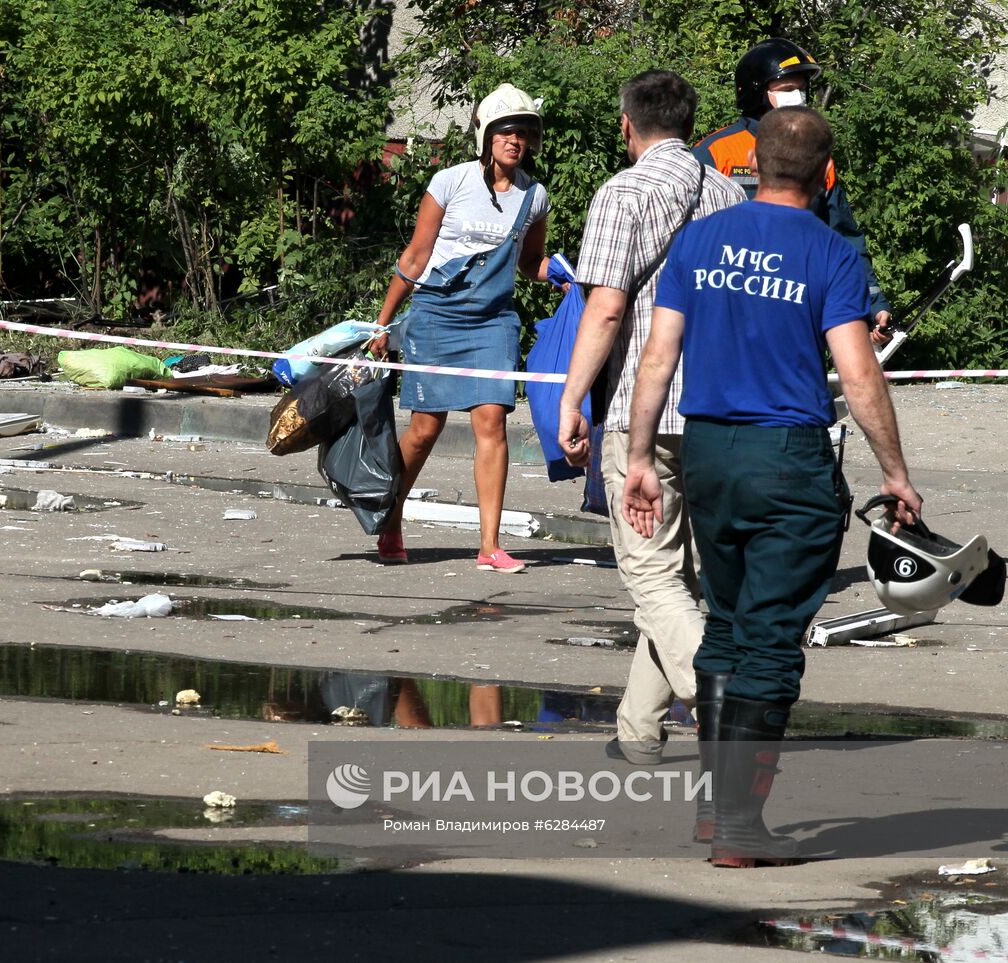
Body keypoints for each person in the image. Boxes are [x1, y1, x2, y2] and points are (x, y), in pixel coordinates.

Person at [621, 106, 922, 867]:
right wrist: (895, 473)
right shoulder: (831, 251)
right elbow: (857, 373)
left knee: (724, 621)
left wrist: (638, 459)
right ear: (825, 176)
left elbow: (657, 358)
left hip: (709, 450)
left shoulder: (698, 239)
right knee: (770, 641)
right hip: (785, 454)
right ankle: (739, 826)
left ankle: (712, 809)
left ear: (750, 163)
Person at [556, 70, 746, 770]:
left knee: (653, 579)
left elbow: (606, 307)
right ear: (691, 123)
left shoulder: (623, 191)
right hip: (723, 405)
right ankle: (637, 729)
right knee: (681, 580)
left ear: (626, 124)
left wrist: (571, 398)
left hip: (648, 405)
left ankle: (730, 710)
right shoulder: (728, 193)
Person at [371, 82, 552, 572]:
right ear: (486, 135)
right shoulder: (450, 181)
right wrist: (382, 324)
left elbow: (530, 262)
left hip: (493, 321)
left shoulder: (534, 197)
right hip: (436, 316)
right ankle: (390, 517)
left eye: (523, 133)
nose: (515, 141)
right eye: (506, 131)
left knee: (493, 422)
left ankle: (490, 546)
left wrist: (565, 275)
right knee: (426, 429)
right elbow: (416, 254)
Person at [693, 38, 893, 345]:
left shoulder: (818, 154)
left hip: (799, 308)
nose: (798, 96)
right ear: (757, 93)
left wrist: (872, 301)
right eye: (786, 89)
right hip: (727, 309)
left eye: (801, 88)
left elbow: (843, 235)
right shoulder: (715, 153)